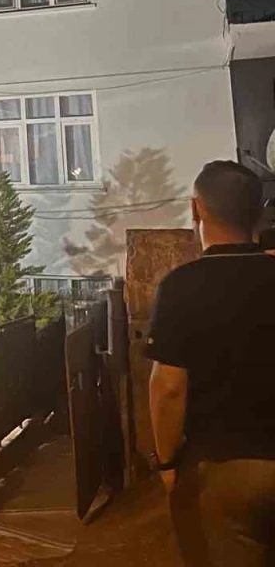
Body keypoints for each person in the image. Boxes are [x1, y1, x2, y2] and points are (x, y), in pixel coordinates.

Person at [146, 160, 275, 566]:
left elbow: (168, 389)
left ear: (196, 208)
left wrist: (167, 463)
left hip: (225, 467)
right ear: (259, 212)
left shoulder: (181, 286)